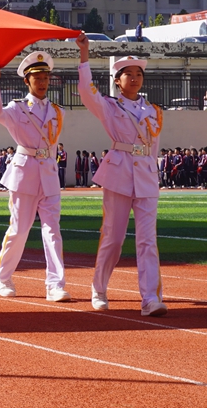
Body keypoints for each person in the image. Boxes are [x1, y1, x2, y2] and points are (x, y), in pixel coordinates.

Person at [76, 33, 167, 317]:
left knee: (147, 240)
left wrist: (154, 173)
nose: (134, 78)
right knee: (113, 238)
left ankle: (150, 298)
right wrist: (84, 57)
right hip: (118, 172)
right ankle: (99, 288)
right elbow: (86, 93)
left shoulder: (154, 111)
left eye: (138, 73)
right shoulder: (109, 106)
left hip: (146, 176)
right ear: (117, 80)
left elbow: (154, 147)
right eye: (128, 74)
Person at [0, 51, 70, 302]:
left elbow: (53, 145)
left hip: (48, 173)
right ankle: (3, 277)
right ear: (27, 81)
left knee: (52, 231)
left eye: (45, 76)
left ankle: (55, 284)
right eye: (37, 77)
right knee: (20, 230)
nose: (43, 81)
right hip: (24, 173)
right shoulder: (17, 109)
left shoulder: (58, 111)